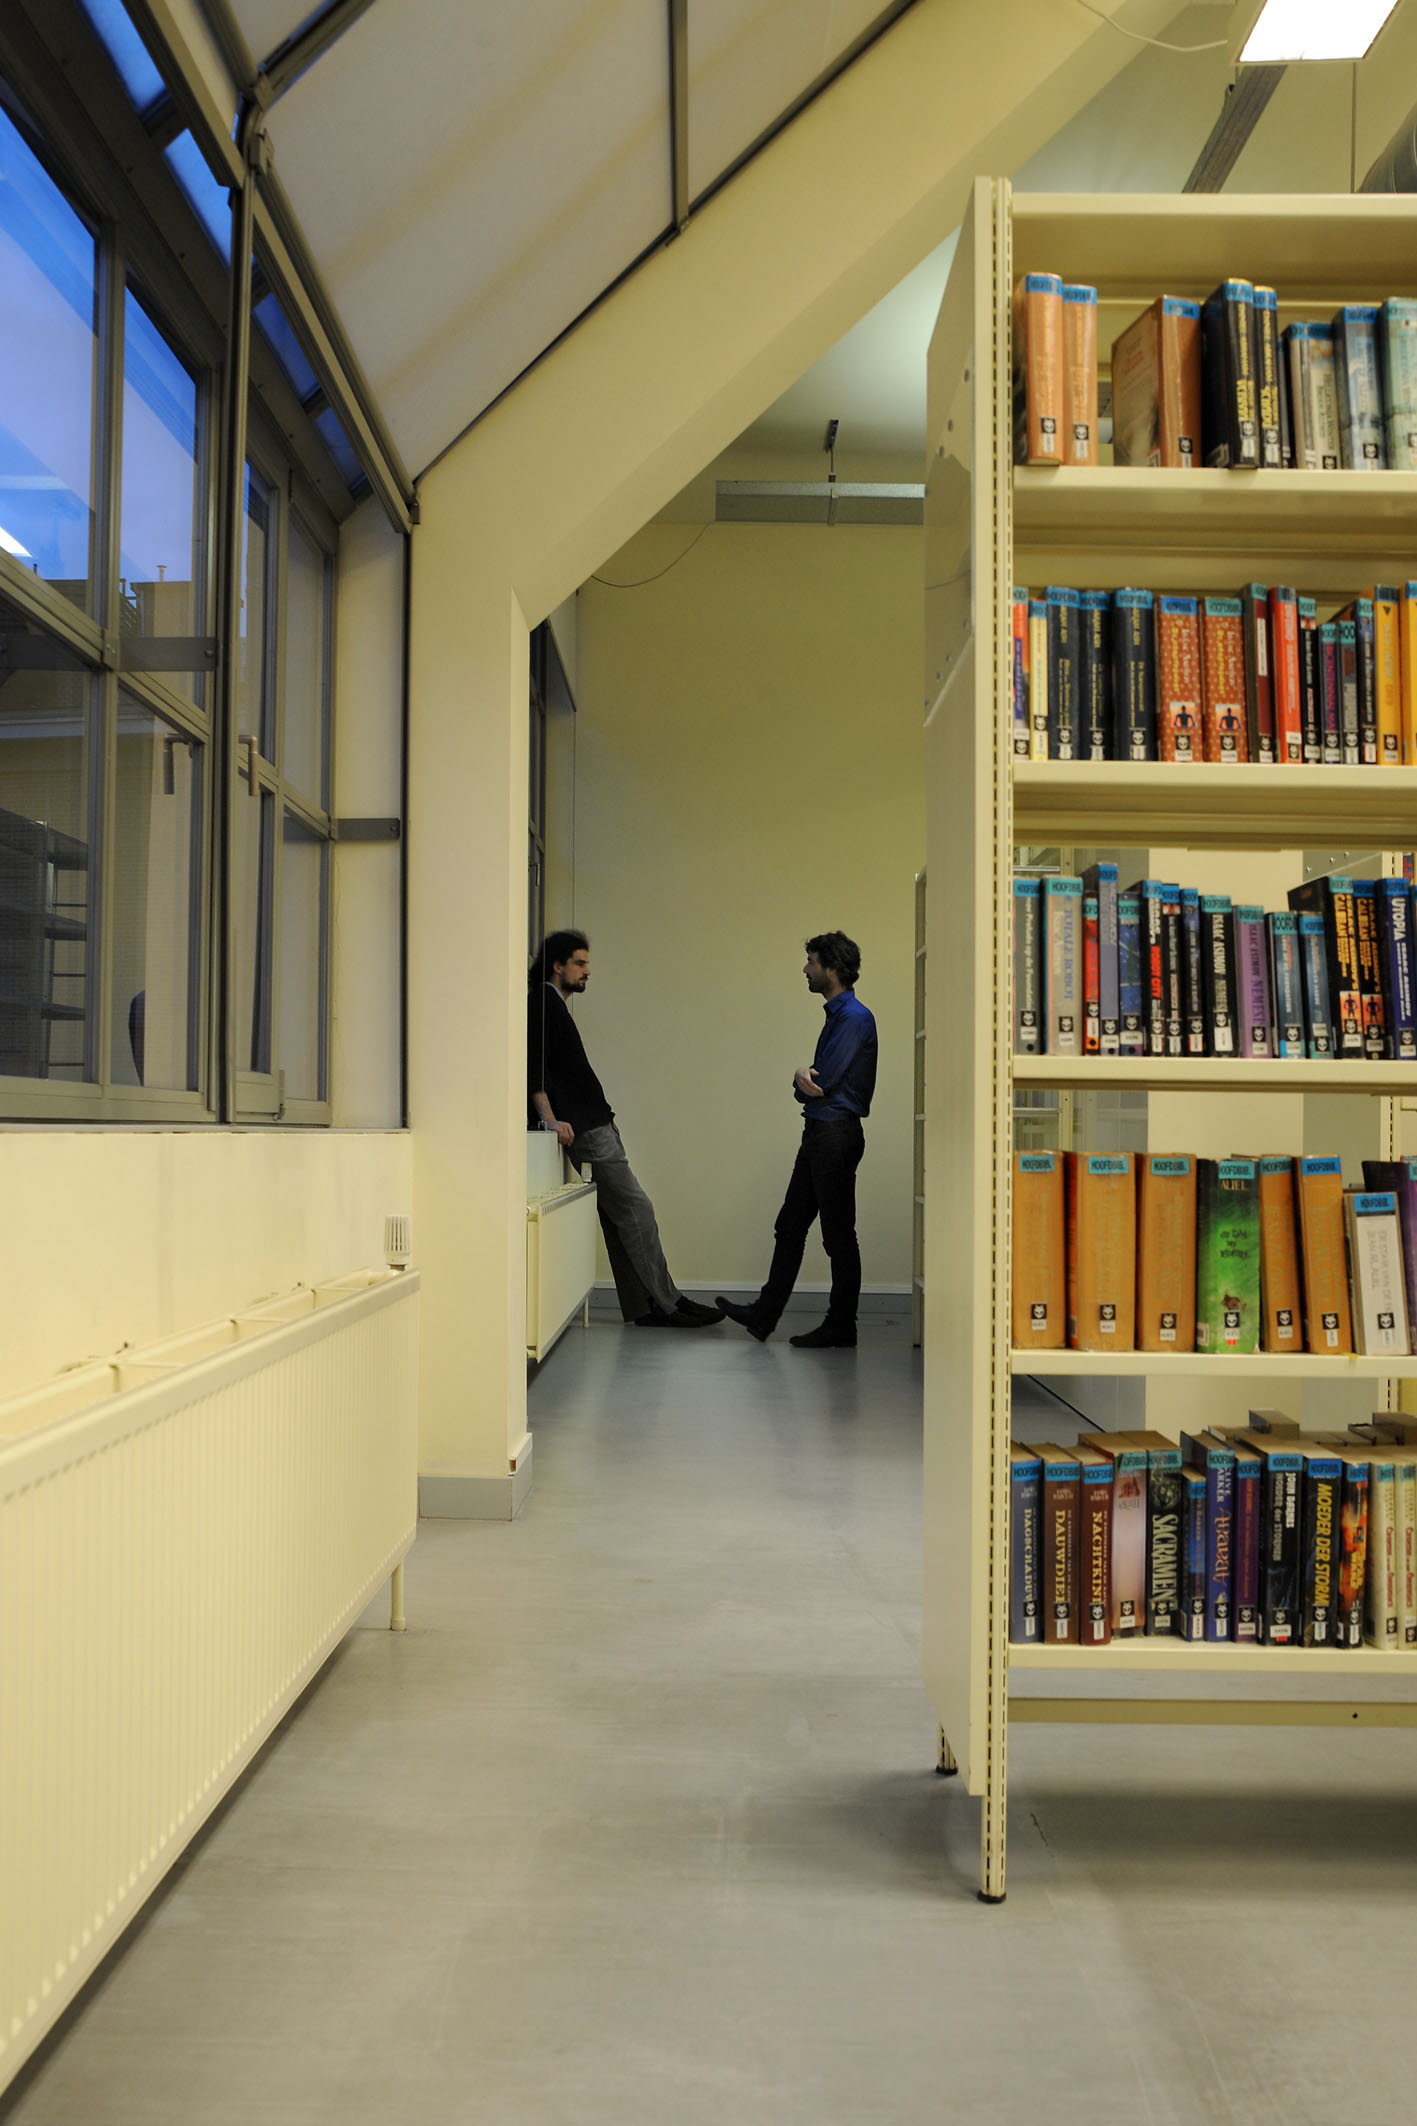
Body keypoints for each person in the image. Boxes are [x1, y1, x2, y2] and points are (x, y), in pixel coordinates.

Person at [528, 930, 721, 1330]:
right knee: (636, 1210)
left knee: (620, 1218)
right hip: (587, 1128)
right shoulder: (543, 1003)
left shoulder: (553, 1004)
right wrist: (549, 1118)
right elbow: (535, 1068)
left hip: (595, 1123)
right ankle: (668, 1304)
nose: (587, 971)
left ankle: (645, 1306)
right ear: (557, 965)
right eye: (580, 963)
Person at [717, 931, 877, 1349]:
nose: (805, 969)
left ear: (832, 969)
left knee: (838, 1235)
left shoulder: (854, 1018)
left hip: (834, 1134)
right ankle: (764, 1316)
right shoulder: (840, 1016)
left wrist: (801, 1076)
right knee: (790, 1226)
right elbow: (813, 1084)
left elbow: (822, 1082)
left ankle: (841, 1325)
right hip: (822, 1132)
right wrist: (803, 1080)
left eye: (811, 962)